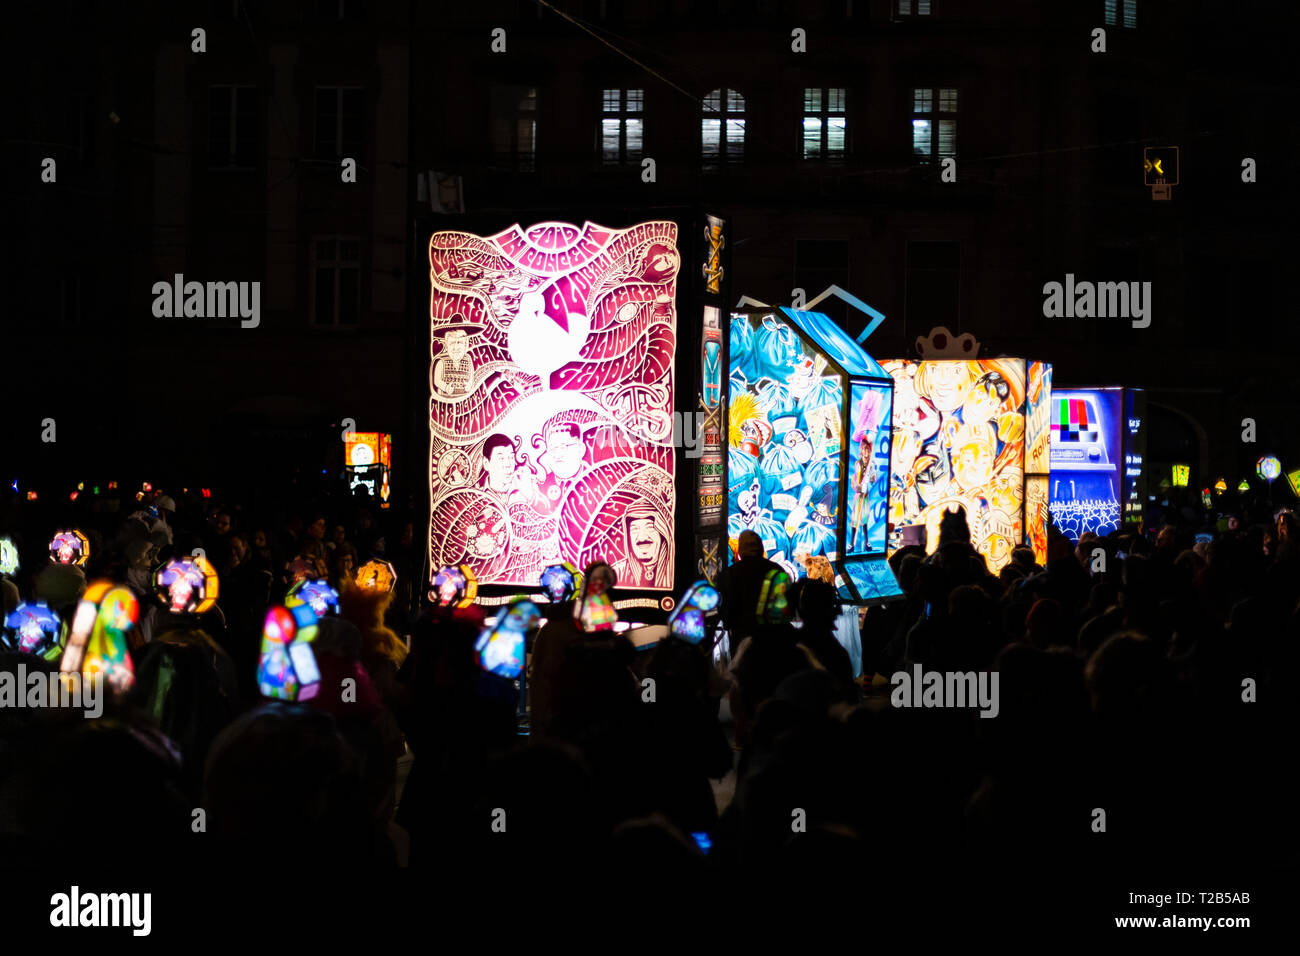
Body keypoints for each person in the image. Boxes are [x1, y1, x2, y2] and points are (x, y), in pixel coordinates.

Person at [716, 530, 780, 650]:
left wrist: (727, 623)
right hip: (773, 639)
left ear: (741, 549)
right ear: (761, 548)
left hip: (742, 637)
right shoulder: (777, 570)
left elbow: (727, 607)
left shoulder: (730, 573)